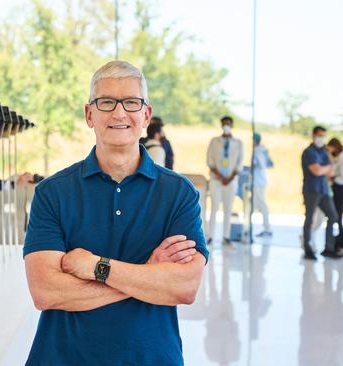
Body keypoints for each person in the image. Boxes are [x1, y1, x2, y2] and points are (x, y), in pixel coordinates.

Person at [23, 60, 208, 365]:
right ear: (89, 114)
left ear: (145, 114)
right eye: (106, 102)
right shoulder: (52, 193)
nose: (119, 113)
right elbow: (46, 291)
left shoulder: (179, 193)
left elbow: (184, 287)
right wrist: (148, 274)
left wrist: (98, 266)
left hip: (151, 357)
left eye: (131, 102)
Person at [301, 126, 343, 260]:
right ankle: (308, 248)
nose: (322, 138)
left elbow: (330, 171)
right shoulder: (309, 152)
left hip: (324, 189)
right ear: (313, 135)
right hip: (311, 190)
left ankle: (328, 248)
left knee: (333, 216)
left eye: (324, 136)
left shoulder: (323, 153)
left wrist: (325, 168)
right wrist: (326, 168)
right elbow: (317, 171)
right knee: (310, 219)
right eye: (320, 135)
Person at [206, 116, 243, 246]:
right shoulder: (214, 141)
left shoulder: (238, 143)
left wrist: (230, 177)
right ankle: (210, 236)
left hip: (231, 180)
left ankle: (226, 236)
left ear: (232, 126)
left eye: (229, 124)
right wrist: (221, 176)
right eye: (224, 124)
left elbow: (240, 163)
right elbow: (209, 160)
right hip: (216, 179)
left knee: (228, 208)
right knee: (214, 207)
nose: (226, 126)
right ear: (221, 125)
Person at [326, 138, 343, 236]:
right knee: (337, 217)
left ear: (334, 146)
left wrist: (333, 178)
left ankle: (341, 241)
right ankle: (339, 241)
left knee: (336, 217)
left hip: (340, 189)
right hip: (339, 188)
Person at [252, 133, 273, 237]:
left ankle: (267, 228)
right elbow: (270, 164)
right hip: (260, 180)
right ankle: (247, 228)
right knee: (255, 205)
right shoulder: (263, 150)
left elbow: (259, 164)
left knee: (262, 204)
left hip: (258, 181)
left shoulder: (257, 151)